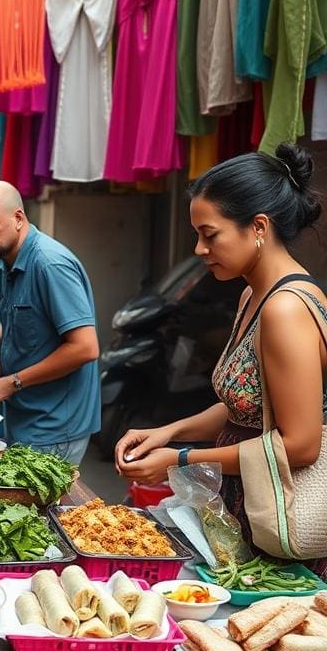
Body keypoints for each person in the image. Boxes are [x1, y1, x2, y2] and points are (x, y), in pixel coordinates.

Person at [115, 144, 327, 559]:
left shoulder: (285, 308)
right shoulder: (255, 295)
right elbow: (246, 408)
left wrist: (180, 459)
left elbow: (301, 445)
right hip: (246, 509)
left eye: (209, 235)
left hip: (280, 522)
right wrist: (171, 431)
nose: (199, 249)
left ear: (259, 227)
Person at [0, 181, 100, 464]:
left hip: (53, 425)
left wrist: (12, 382)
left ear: (18, 218)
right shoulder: (7, 259)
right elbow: (28, 316)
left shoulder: (49, 264)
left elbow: (84, 348)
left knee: (39, 509)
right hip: (26, 416)